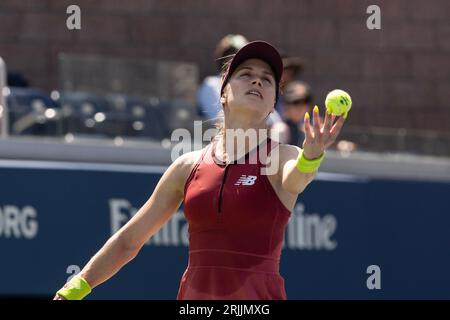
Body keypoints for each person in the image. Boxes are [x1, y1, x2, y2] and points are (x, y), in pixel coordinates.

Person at [54, 41, 345, 300]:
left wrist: (312, 155)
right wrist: (73, 290)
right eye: (246, 75)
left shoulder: (282, 156)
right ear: (223, 93)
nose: (257, 82)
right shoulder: (187, 166)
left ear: (272, 104)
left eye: (267, 80)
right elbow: (129, 240)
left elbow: (297, 179)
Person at [276, 81, 313, 146]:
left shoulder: (305, 132)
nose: (300, 107)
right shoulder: (280, 129)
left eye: (305, 101)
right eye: (296, 102)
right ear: (286, 105)